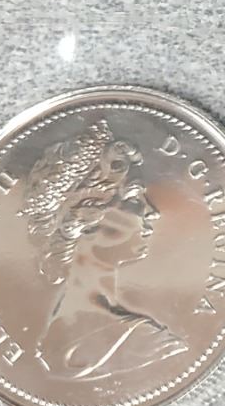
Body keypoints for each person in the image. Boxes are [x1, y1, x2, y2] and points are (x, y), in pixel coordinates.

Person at [18, 118, 188, 382]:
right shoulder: (144, 342)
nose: (152, 212)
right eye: (133, 200)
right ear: (85, 221)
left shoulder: (55, 340)